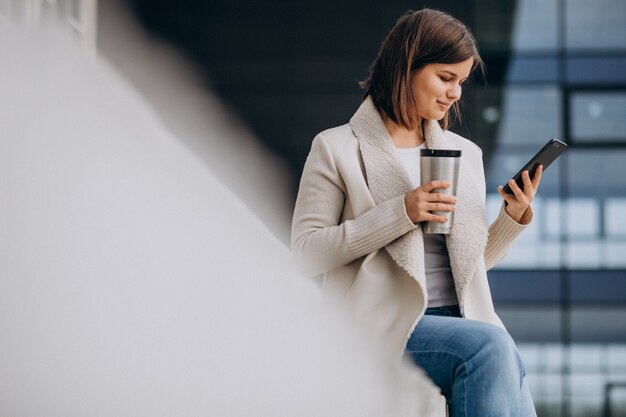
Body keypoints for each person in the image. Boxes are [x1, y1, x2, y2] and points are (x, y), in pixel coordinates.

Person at [291, 8, 543, 417]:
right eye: (445, 78)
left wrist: (510, 220)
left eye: (460, 82)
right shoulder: (336, 148)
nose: (456, 93)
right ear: (406, 67)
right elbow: (306, 252)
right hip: (383, 322)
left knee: (502, 353)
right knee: (492, 347)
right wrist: (400, 213)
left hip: (463, 321)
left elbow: (470, 267)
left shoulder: (464, 153)